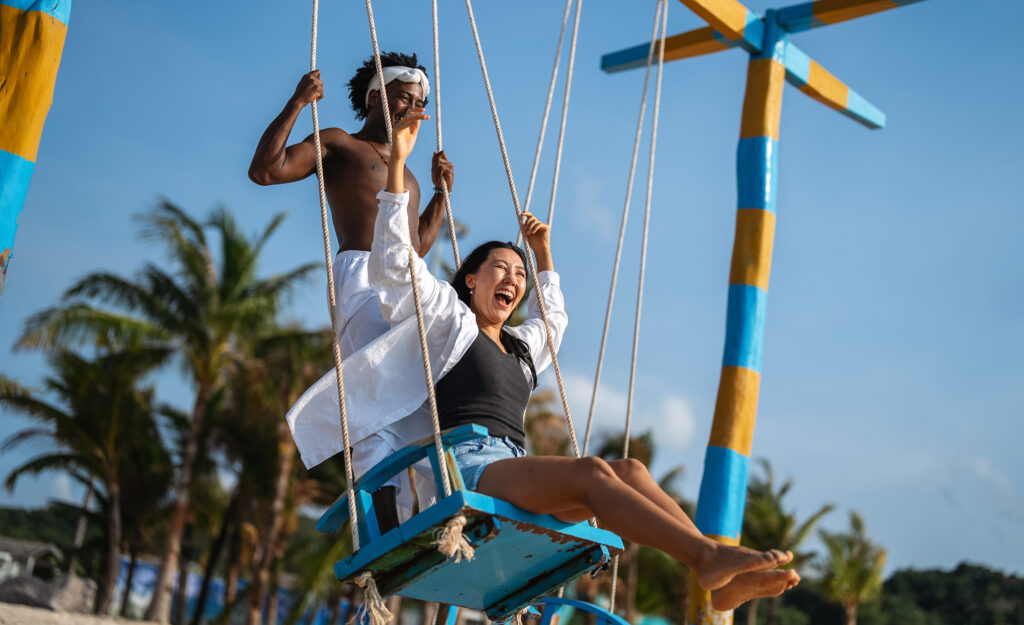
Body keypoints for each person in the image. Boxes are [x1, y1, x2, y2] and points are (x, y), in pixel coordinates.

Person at [361, 107, 802, 611]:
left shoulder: (521, 348)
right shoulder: (448, 324)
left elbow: (554, 321)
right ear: (471, 280)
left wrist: (542, 253)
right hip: (469, 470)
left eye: (519, 276)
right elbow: (395, 261)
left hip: (513, 468)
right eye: (500, 269)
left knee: (632, 469)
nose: (512, 280)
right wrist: (398, 164)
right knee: (593, 474)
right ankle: (707, 558)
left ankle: (716, 575)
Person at [252, 52, 454, 525]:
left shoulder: (407, 177)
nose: (414, 109)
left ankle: (422, 514)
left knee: (421, 394)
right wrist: (298, 102)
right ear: (374, 98)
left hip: (406, 278)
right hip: (361, 275)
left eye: (421, 102)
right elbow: (266, 170)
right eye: (405, 97)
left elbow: (419, 246)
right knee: (369, 389)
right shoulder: (341, 143)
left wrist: (442, 194)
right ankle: (383, 525)